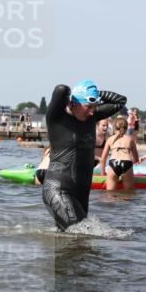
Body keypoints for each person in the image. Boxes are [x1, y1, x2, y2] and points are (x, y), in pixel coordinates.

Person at [42, 80, 126, 230]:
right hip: (58, 189)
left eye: (95, 107)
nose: (92, 111)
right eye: (88, 106)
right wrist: (77, 94)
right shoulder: (57, 118)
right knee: (82, 234)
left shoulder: (92, 117)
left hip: (81, 194)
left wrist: (94, 95)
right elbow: (60, 90)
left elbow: (120, 101)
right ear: (74, 102)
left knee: (75, 245)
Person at [99, 117, 135, 190]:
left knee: (110, 195)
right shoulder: (130, 139)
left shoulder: (110, 139)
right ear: (126, 128)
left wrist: (102, 173)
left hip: (113, 163)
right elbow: (136, 159)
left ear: (114, 128)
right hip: (127, 163)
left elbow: (103, 159)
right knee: (128, 194)